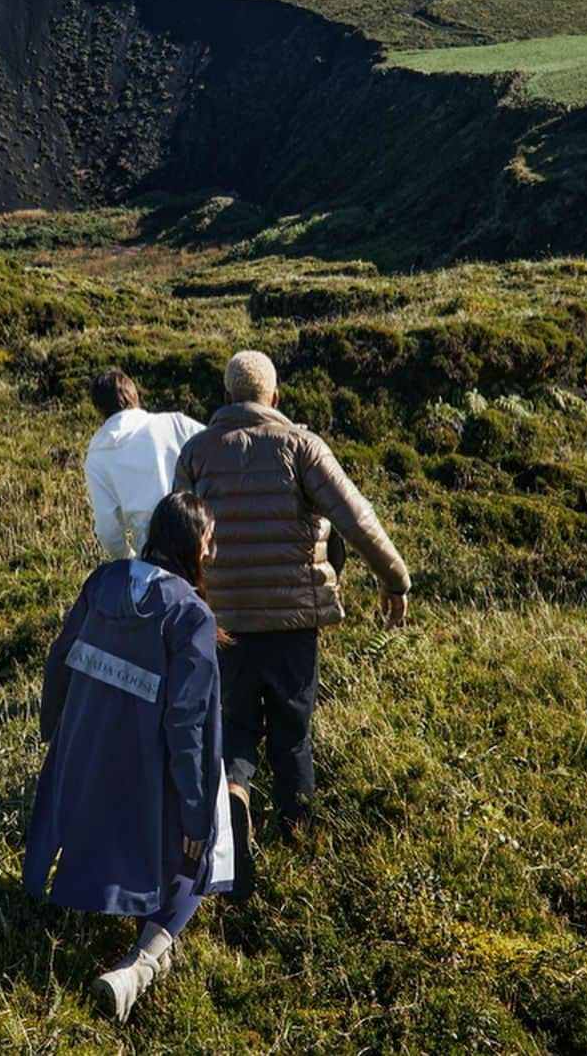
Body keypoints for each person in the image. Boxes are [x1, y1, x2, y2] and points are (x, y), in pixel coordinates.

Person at [174, 349, 410, 896]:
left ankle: (235, 793)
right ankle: (298, 837)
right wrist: (395, 581)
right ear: (274, 398)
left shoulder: (196, 452)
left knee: (234, 729)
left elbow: (179, 533)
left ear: (228, 396)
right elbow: (358, 520)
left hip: (223, 621)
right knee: (292, 732)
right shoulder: (301, 446)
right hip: (292, 622)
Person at [23, 492, 234, 1022]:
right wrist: (193, 812)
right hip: (142, 770)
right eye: (211, 540)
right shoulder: (190, 616)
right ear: (195, 545)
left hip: (85, 750)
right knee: (200, 860)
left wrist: (56, 733)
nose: (214, 551)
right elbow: (186, 726)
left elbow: (60, 656)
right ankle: (138, 967)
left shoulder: (104, 581)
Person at [84, 370, 204, 559]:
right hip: (199, 536)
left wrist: (129, 558)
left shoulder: (97, 456)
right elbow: (217, 446)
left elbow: (108, 531)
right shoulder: (174, 423)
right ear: (135, 396)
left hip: (152, 553)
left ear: (99, 408)